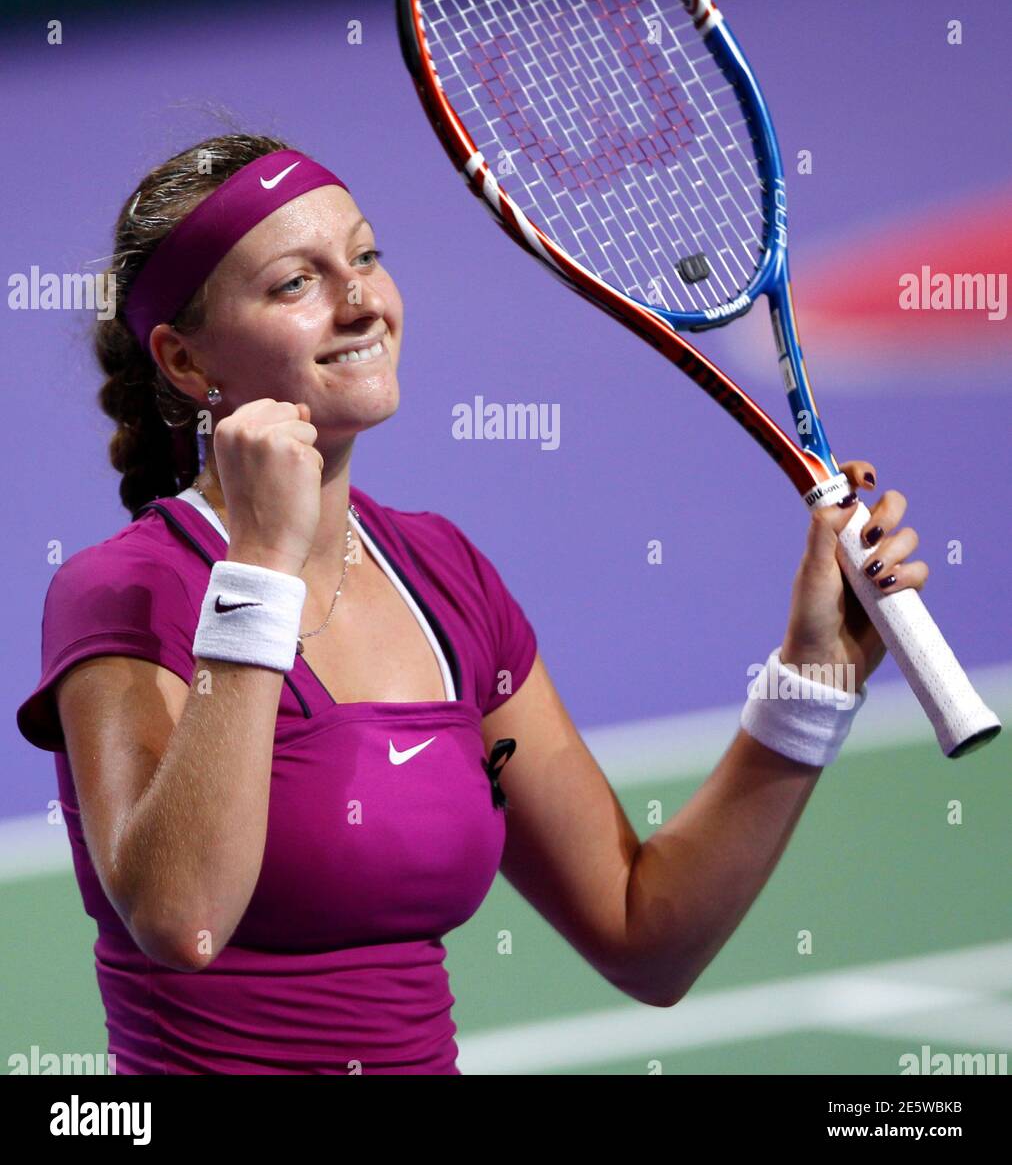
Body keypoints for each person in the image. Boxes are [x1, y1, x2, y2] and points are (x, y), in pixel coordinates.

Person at [17, 132, 928, 1075]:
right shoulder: (124, 594)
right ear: (183, 361)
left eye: (365, 256)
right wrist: (259, 569)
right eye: (297, 283)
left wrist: (812, 680)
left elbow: (642, 931)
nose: (361, 298)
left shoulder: (443, 574)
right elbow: (183, 919)